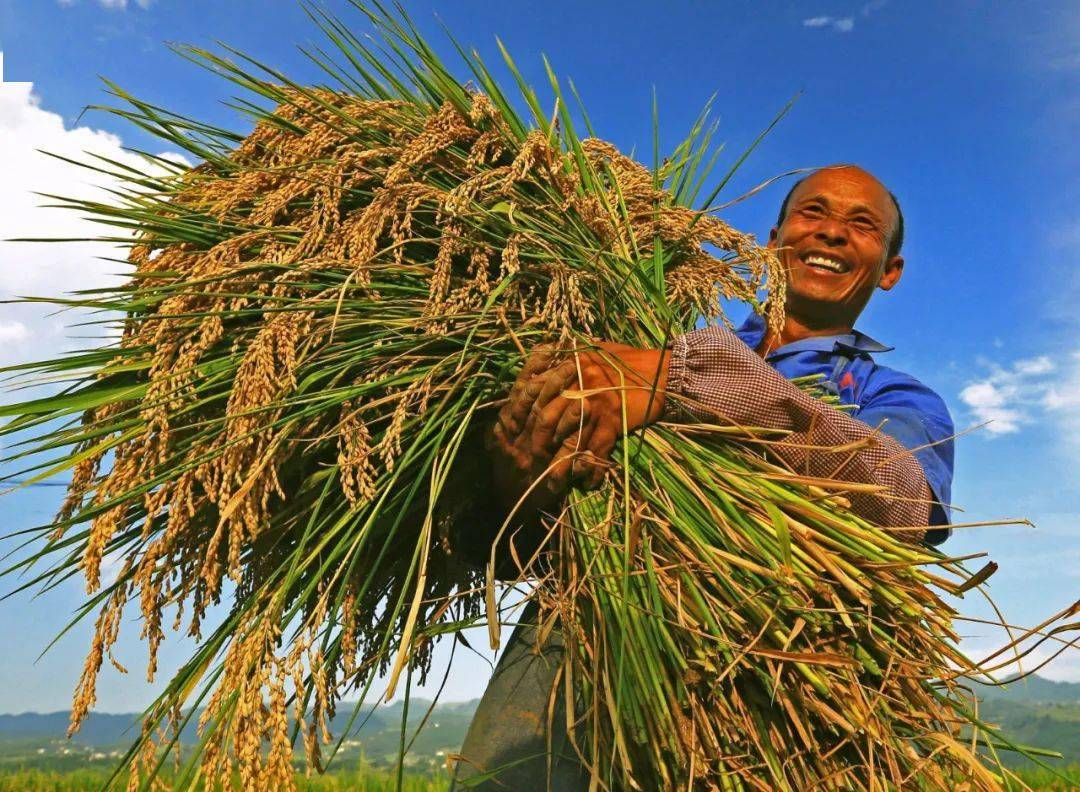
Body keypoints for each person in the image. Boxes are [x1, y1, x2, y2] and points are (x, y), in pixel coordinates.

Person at [450, 164, 955, 790]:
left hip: (767, 690)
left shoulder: (895, 397)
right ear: (772, 240)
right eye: (813, 213)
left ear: (890, 270)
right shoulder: (647, 340)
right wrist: (521, 468)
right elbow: (514, 551)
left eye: (862, 225)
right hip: (561, 668)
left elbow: (901, 502)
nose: (830, 234)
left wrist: (683, 383)